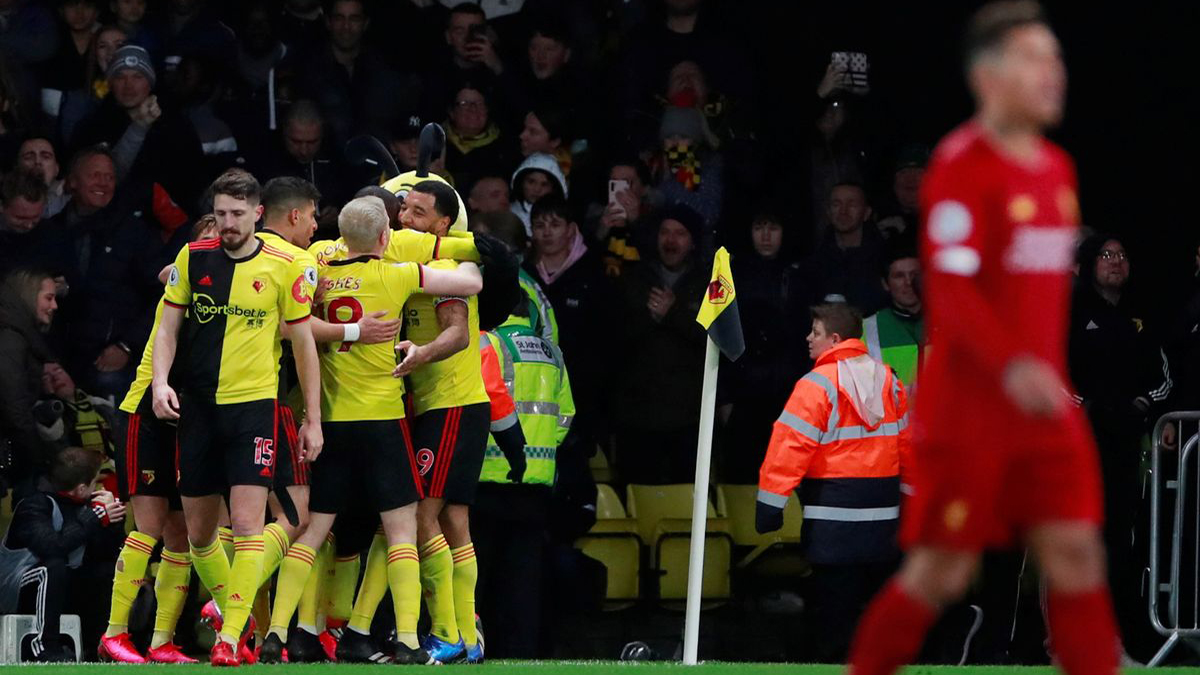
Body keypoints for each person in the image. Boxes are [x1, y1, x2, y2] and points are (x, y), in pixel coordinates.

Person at [847, 5, 1121, 675]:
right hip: (971, 410)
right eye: (1034, 60)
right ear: (987, 77)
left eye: (1056, 59)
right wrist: (1011, 367)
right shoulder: (960, 165)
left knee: (1077, 554)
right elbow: (953, 290)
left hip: (1044, 409)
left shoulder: (1057, 169)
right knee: (941, 572)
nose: (1053, 74)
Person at [259, 196, 484, 665]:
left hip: (332, 423)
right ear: (386, 237)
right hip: (383, 421)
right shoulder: (395, 274)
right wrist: (458, 250)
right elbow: (471, 282)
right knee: (400, 531)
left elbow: (288, 325)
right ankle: (408, 641)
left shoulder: (318, 273)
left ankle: (277, 634)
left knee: (314, 531)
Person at [150, 170, 324, 666]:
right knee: (200, 534)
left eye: (237, 214)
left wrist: (312, 419)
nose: (227, 223)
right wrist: (160, 382)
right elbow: (167, 327)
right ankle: (236, 614)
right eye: (221, 213)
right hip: (198, 407)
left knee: (248, 525)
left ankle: (228, 639)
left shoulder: (285, 265)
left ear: (257, 215)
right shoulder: (193, 257)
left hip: (254, 409)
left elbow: (303, 345)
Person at [757, 302, 908, 662]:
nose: (808, 338)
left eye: (816, 332)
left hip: (832, 522)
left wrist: (770, 506)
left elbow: (789, 447)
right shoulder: (890, 381)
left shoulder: (816, 385)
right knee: (875, 614)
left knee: (832, 619)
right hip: (884, 522)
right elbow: (907, 445)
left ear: (835, 339)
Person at [98, 215, 218, 665]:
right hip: (146, 413)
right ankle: (114, 633)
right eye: (206, 242)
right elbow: (169, 272)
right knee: (147, 528)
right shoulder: (181, 281)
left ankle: (163, 640)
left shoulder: (234, 295)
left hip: (187, 420)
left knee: (180, 534)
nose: (216, 250)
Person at [1068, 234, 1171, 656]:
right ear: (1088, 264)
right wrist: (1088, 408)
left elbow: (1164, 377)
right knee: (1077, 538)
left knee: (1120, 540)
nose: (1116, 261)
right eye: (1107, 255)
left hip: (1127, 446)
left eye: (1122, 255)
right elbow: (1050, 372)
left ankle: (1119, 638)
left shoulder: (1141, 315)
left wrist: (1142, 404)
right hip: (1079, 446)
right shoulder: (1070, 313)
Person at [472, 308, 575, 658]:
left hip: (488, 477)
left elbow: (481, 405)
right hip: (536, 482)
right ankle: (520, 654)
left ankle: (471, 648)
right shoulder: (552, 352)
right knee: (523, 578)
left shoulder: (489, 342)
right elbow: (566, 415)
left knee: (476, 574)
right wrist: (541, 447)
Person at [37, 146, 166, 400]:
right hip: (61, 353)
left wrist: (127, 346)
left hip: (112, 354)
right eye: (95, 175)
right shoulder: (51, 231)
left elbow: (165, 293)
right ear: (72, 181)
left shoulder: (133, 231)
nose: (103, 183)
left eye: (109, 177)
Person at [0, 447, 126, 662]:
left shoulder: (88, 508)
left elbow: (105, 553)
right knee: (53, 566)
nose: (99, 487)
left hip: (61, 589)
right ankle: (44, 647)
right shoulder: (33, 506)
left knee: (105, 571)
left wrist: (113, 520)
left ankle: (97, 647)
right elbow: (53, 547)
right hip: (16, 589)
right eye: (95, 482)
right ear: (81, 488)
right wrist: (95, 516)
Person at [611, 206, 708, 485]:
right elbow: (614, 336)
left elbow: (714, 341)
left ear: (692, 242)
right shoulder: (634, 278)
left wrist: (672, 314)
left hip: (688, 417)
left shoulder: (708, 283)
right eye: (665, 232)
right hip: (637, 416)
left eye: (680, 234)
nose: (670, 240)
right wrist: (651, 317)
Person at [720, 210, 804, 482]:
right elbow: (721, 341)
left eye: (773, 228)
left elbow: (803, 341)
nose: (766, 236)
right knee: (741, 476)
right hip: (744, 394)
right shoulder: (731, 275)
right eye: (759, 227)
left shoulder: (800, 276)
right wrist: (725, 397)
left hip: (787, 394)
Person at [522, 196, 608, 457]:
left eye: (555, 224)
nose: (547, 232)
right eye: (539, 225)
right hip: (534, 386)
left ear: (571, 229)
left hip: (582, 390)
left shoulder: (594, 273)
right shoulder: (524, 274)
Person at [71, 44, 206, 209]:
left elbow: (193, 180)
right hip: (108, 216)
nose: (128, 85)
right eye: (120, 77)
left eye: (138, 77)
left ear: (150, 83)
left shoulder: (176, 125)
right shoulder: (93, 126)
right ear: (111, 83)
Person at [0, 267, 58, 499]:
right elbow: (13, 404)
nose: (55, 306)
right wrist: (38, 459)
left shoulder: (17, 335)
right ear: (29, 295)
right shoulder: (10, 337)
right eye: (49, 298)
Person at [803, 182, 888, 315]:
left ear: (866, 213)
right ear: (828, 212)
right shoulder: (813, 263)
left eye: (852, 205)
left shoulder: (885, 260)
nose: (843, 211)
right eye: (836, 204)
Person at [863, 248, 923, 390]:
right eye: (899, 276)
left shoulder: (949, 324)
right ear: (885, 284)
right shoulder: (866, 329)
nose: (909, 282)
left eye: (915, 274)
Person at [444, 84, 512, 194]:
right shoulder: (436, 142)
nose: (473, 109)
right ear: (451, 112)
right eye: (464, 104)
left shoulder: (504, 146)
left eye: (479, 104)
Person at [0, 170, 50, 275]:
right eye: (20, 218)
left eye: (35, 217)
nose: (29, 225)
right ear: (1, 206)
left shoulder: (53, 236)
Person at [509, 152, 567, 235]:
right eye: (531, 182)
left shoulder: (562, 218)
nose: (537, 189)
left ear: (554, 189)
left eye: (544, 184)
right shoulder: (508, 213)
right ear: (521, 182)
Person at [16, 136, 69, 218]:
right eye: (29, 157)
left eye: (46, 157)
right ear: (17, 167)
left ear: (56, 168)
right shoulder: (6, 202)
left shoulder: (71, 198)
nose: (37, 161)